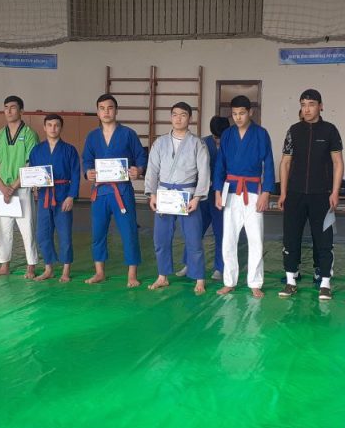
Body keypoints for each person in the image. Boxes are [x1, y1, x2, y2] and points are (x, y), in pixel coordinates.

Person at [277, 89, 343, 300]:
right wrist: (283, 192)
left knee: (323, 238)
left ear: (321, 106)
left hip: (322, 195)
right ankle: (290, 280)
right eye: (303, 104)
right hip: (295, 194)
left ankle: (325, 282)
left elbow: (338, 163)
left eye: (311, 104)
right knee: (290, 237)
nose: (307, 109)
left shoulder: (330, 130)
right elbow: (285, 163)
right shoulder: (294, 131)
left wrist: (335, 191)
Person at [146, 102, 210, 295]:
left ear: (190, 118)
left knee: (193, 239)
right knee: (161, 238)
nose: (178, 118)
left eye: (183, 115)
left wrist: (197, 197)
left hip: (187, 195)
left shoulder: (198, 143)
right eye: (175, 114)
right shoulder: (160, 142)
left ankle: (199, 278)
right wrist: (152, 194)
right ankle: (162, 276)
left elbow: (204, 172)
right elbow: (152, 169)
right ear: (171, 117)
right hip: (165, 194)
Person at [83, 94, 147, 287]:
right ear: (97, 112)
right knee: (98, 233)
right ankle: (99, 272)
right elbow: (87, 159)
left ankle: (132, 275)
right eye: (102, 108)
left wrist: (139, 170)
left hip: (122, 191)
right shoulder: (92, 136)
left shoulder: (128, 134)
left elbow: (141, 156)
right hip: (100, 192)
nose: (106, 112)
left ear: (116, 110)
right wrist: (88, 172)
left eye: (110, 108)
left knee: (129, 232)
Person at [214, 95, 274, 298]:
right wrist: (217, 191)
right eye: (234, 114)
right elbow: (220, 164)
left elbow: (269, 164)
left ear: (250, 112)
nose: (238, 117)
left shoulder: (261, 134)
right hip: (231, 191)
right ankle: (229, 281)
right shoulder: (227, 135)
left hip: (253, 192)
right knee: (229, 239)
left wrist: (266, 192)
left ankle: (255, 282)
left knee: (255, 238)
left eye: (242, 113)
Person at [0, 95, 40, 278]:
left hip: (22, 188)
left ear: (21, 111)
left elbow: (30, 164)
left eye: (13, 107)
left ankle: (31, 266)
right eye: (6, 107)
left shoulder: (30, 134)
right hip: (3, 189)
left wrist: (14, 186)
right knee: (3, 229)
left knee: (27, 228)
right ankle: (4, 266)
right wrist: (3, 187)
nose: (9, 111)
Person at [28, 113, 80, 283]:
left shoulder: (70, 150)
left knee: (64, 234)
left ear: (61, 128)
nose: (53, 128)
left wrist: (71, 196)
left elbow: (75, 175)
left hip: (63, 193)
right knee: (43, 233)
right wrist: (34, 186)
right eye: (49, 125)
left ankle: (66, 270)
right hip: (44, 194)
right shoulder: (36, 150)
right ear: (44, 127)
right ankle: (48, 268)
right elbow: (32, 172)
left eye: (56, 125)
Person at [184, 115, 230, 281]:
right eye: (216, 137)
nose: (218, 140)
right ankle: (188, 263)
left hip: (222, 194)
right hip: (202, 194)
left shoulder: (231, 143)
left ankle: (220, 267)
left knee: (221, 232)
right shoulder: (202, 143)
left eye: (221, 137)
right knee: (195, 229)